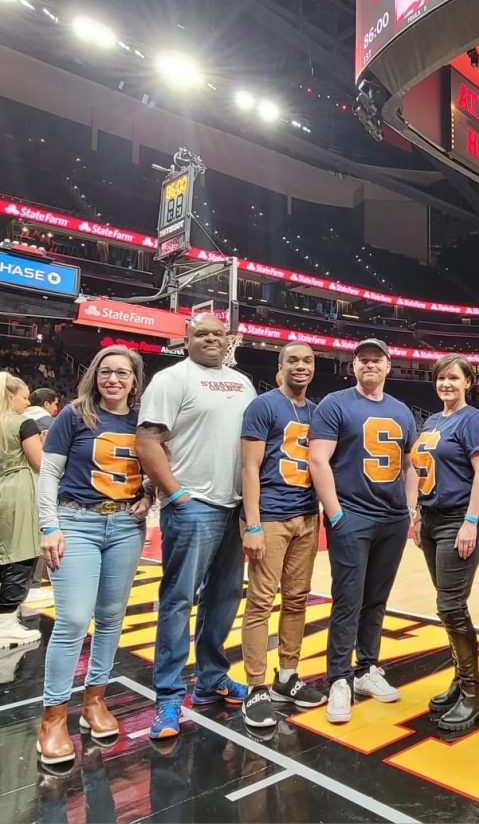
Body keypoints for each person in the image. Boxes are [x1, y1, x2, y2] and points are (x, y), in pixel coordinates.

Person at [135, 313, 256, 741]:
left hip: (234, 507)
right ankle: (168, 695)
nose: (210, 339)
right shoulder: (172, 379)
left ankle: (211, 679)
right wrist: (175, 493)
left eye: (217, 334)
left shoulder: (242, 383)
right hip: (193, 506)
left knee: (223, 599)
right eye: (201, 333)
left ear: (228, 341)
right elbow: (147, 440)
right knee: (177, 600)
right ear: (186, 339)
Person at [35, 346, 152, 765]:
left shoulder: (144, 421)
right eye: (106, 371)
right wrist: (49, 527)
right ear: (94, 376)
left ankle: (95, 702)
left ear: (135, 379)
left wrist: (150, 496)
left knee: (111, 618)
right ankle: (52, 719)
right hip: (76, 522)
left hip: (125, 526)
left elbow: (155, 466)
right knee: (70, 620)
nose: (113, 379)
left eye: (122, 372)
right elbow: (49, 472)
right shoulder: (74, 414)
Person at [308, 338, 419, 725]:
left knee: (376, 598)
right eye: (363, 360)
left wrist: (409, 509)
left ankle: (367, 668)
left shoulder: (402, 411)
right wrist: (336, 514)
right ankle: (339, 678)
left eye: (377, 360)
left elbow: (409, 466)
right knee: (348, 599)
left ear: (390, 366)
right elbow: (318, 460)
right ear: (352, 366)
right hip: (352, 516)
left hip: (392, 520)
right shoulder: (334, 404)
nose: (370, 365)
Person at [239, 343, 325, 729]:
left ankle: (286, 676)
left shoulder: (318, 410)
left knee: (296, 599)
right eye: (293, 360)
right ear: (280, 366)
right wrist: (253, 523)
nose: (301, 366)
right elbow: (250, 467)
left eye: (307, 360)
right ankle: (255, 686)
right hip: (271, 517)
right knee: (260, 602)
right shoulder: (263, 406)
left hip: (307, 516)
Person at [411, 355, 479, 732]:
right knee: (447, 607)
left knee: (451, 605)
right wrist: (416, 513)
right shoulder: (432, 421)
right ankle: (461, 681)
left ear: (468, 383)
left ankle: (475, 694)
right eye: (442, 378)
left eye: (454, 378)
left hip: (457, 520)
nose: (447, 384)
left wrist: (471, 522)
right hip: (430, 520)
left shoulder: (472, 419)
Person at [0, 371, 43, 648]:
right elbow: (40, 462)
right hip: (18, 492)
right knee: (21, 555)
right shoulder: (22, 423)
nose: (27, 403)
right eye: (24, 397)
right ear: (9, 395)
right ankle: (5, 624)